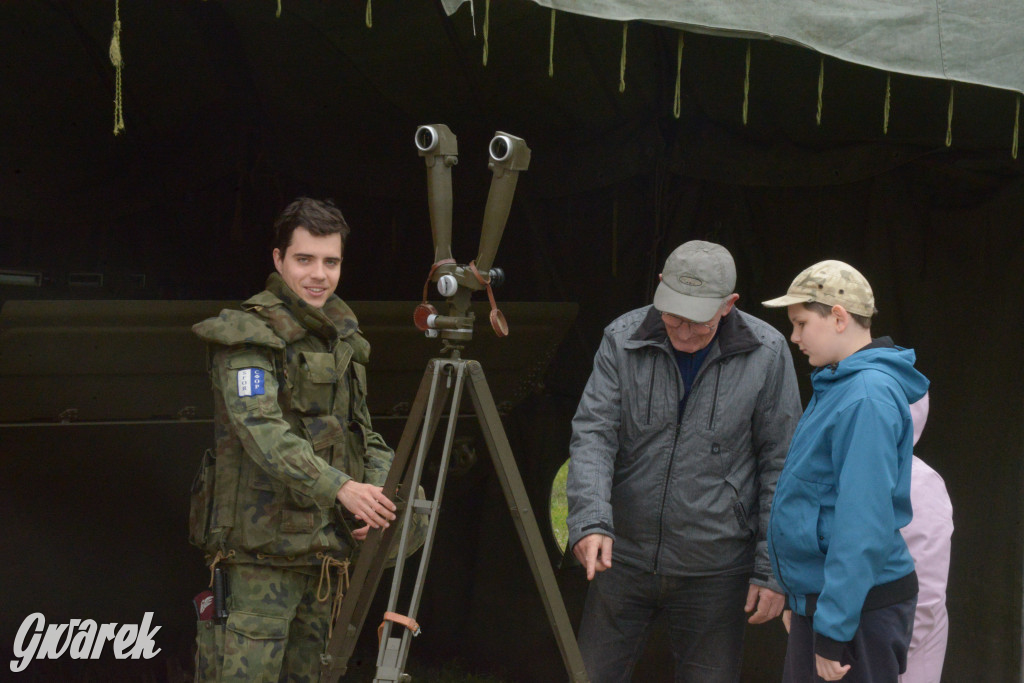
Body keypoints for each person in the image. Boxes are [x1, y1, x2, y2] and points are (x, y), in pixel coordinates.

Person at [567, 240, 802, 682]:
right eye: (673, 315)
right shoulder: (622, 337)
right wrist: (591, 521)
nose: (684, 332)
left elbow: (783, 464)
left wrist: (771, 570)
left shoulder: (768, 353)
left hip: (716, 570)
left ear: (729, 305)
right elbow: (593, 434)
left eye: (699, 321)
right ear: (660, 288)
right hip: (624, 558)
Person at [189, 197, 399, 682]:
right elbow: (260, 431)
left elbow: (364, 434)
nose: (318, 275)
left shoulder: (341, 338)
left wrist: (381, 497)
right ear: (278, 259)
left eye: (331, 261)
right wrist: (342, 488)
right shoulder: (246, 337)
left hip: (326, 559)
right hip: (259, 561)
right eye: (304, 259)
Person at [763, 260, 929, 683]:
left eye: (800, 323)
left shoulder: (866, 396)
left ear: (838, 317)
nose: (793, 337)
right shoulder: (838, 385)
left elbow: (863, 522)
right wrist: (801, 601)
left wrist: (833, 628)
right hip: (827, 605)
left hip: (858, 613)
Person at [899, 392, 953, 683]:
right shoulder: (840, 472)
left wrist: (885, 652)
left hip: (903, 654)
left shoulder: (920, 482)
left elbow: (926, 594)